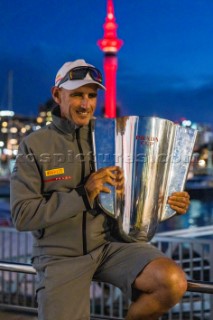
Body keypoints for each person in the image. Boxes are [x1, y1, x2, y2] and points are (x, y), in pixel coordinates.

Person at [10, 59, 190, 320]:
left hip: (111, 246)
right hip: (61, 257)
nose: (86, 104)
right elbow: (23, 216)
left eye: (92, 96)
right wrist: (83, 194)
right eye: (77, 95)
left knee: (171, 282)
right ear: (57, 94)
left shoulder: (112, 134)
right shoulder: (35, 145)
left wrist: (167, 202)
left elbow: (131, 195)